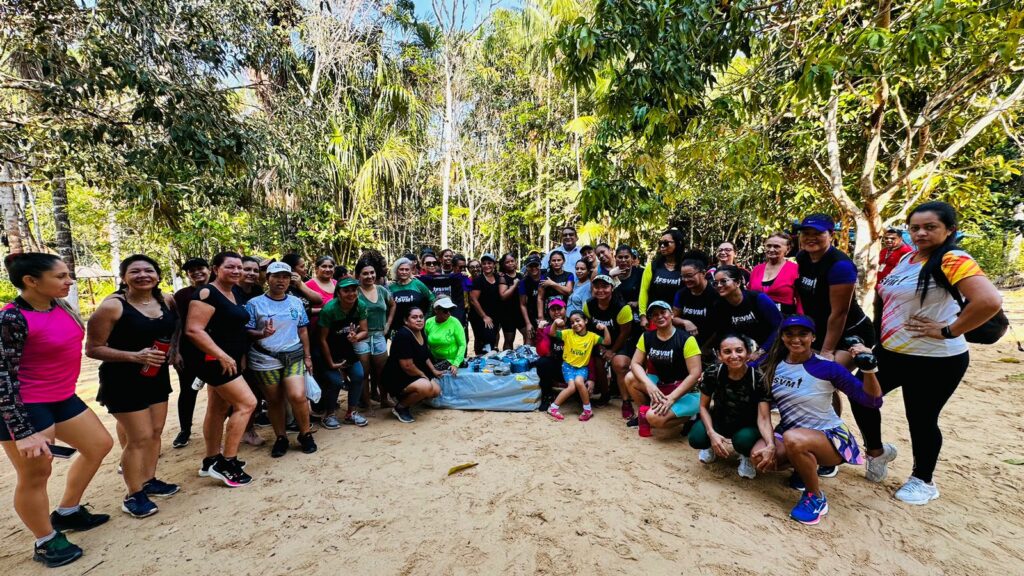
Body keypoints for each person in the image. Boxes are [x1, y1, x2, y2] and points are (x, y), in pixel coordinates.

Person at [850, 201, 1002, 505]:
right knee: (860, 395)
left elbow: (989, 301)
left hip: (936, 359)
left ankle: (923, 480)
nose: (921, 233)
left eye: (930, 227)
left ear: (949, 230)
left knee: (920, 418)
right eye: (915, 227)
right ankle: (878, 452)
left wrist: (948, 330)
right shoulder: (909, 260)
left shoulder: (953, 258)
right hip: (892, 353)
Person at [0, 253, 114, 567]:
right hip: (26, 404)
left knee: (98, 445)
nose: (69, 281)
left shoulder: (59, 304)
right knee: (35, 475)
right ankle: (45, 541)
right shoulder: (11, 317)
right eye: (61, 276)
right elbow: (2, 376)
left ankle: (67, 512)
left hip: (62, 396)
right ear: (31, 281)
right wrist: (22, 432)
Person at [748, 315, 882, 525]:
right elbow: (749, 382)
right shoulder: (773, 366)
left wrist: (869, 369)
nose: (796, 339)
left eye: (803, 334)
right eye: (789, 334)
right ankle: (804, 469)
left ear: (813, 337)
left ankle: (815, 497)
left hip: (830, 436)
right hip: (790, 432)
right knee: (759, 458)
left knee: (794, 438)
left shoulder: (827, 367)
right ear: (782, 337)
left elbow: (872, 402)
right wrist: (771, 446)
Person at [86, 255, 179, 518]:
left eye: (149, 270)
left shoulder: (166, 300)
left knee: (156, 431)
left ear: (158, 276)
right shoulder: (112, 306)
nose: (143, 275)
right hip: (121, 380)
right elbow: (92, 349)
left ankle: (149, 480)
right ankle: (133, 493)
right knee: (138, 438)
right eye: (134, 271)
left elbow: (175, 328)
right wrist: (133, 356)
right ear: (124, 277)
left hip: (155, 375)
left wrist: (174, 350)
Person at [186, 251, 257, 488]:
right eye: (230, 267)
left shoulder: (234, 291)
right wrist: (222, 355)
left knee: (217, 409)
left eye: (240, 267)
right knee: (247, 404)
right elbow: (194, 330)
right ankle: (228, 463)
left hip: (230, 359)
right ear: (216, 268)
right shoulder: (207, 293)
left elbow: (235, 327)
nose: (237, 271)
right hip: (215, 361)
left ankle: (211, 459)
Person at [245, 262, 318, 457]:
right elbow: (247, 330)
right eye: (276, 276)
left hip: (293, 355)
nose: (281, 280)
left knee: (297, 396)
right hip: (264, 358)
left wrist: (308, 356)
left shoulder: (296, 302)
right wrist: (261, 332)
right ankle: (281, 437)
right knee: (274, 400)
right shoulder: (255, 304)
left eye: (285, 276)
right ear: (267, 278)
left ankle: (305, 434)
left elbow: (303, 329)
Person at [688, 335, 771, 479]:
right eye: (727, 352)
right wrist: (711, 433)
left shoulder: (757, 378)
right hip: (720, 419)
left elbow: (764, 417)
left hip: (747, 425)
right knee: (697, 437)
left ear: (748, 353)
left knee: (743, 441)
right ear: (720, 355)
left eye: (739, 350)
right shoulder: (714, 372)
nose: (734, 356)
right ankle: (710, 446)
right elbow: (703, 406)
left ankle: (745, 456)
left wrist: (771, 444)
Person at [795, 214, 874, 364]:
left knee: (826, 377)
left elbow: (839, 313)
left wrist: (827, 350)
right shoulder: (802, 257)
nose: (811, 238)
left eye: (818, 233)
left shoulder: (840, 266)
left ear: (831, 234)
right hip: (820, 330)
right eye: (806, 233)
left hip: (851, 331)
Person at [624, 301, 703, 436]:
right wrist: (648, 385)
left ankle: (692, 416)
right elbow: (635, 363)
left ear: (671, 314)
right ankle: (648, 411)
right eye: (654, 315)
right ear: (651, 319)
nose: (659, 317)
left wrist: (671, 398)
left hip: (686, 391)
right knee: (630, 377)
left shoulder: (686, 339)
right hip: (661, 385)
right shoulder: (647, 336)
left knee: (654, 419)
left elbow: (695, 374)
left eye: (663, 312)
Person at [317, 277, 370, 429]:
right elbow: (322, 340)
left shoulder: (360, 306)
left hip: (346, 347)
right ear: (338, 293)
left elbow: (365, 331)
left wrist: (355, 337)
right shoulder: (329, 309)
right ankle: (329, 414)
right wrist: (330, 363)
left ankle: (351, 412)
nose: (351, 293)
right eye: (346, 290)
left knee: (359, 375)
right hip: (328, 348)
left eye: (353, 290)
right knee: (335, 381)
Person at [171, 257, 210, 449]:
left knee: (222, 391)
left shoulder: (220, 290)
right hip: (189, 351)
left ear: (209, 269)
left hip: (216, 350)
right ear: (187, 274)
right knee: (188, 391)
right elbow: (177, 324)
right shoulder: (181, 295)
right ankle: (185, 430)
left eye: (200, 268)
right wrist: (175, 350)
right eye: (191, 270)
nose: (197, 272)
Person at [545, 310, 611, 422]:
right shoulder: (568, 333)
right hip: (568, 366)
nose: (575, 324)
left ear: (585, 321)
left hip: (582, 368)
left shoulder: (592, 336)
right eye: (572, 322)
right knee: (571, 387)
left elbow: (607, 342)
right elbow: (552, 333)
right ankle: (553, 408)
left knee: (579, 383)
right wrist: (555, 323)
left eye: (578, 320)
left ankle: (587, 410)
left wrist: (605, 328)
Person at [582, 275, 635, 413]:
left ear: (612, 288)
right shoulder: (588, 305)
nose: (600, 290)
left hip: (621, 342)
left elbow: (625, 333)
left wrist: (612, 351)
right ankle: (605, 394)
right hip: (600, 341)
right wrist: (600, 346)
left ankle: (626, 401)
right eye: (597, 287)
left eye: (605, 286)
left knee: (620, 364)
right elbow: (589, 328)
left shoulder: (622, 307)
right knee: (596, 359)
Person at [383, 307, 443, 424]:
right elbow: (407, 366)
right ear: (406, 321)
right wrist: (423, 375)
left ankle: (409, 398)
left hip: (411, 373)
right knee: (426, 387)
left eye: (421, 317)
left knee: (435, 391)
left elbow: (425, 356)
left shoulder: (420, 332)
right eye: (414, 317)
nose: (419, 320)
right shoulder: (403, 335)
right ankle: (400, 407)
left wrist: (433, 370)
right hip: (397, 377)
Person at [706, 265, 783, 357]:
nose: (719, 285)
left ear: (738, 282)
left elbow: (779, 327)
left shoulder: (758, 299)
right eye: (715, 283)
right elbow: (724, 333)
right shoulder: (719, 305)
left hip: (772, 347)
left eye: (723, 281)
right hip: (744, 350)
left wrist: (761, 351)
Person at [354, 258, 394, 410]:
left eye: (372, 273)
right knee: (364, 372)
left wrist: (388, 324)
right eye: (365, 273)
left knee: (382, 370)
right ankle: (367, 403)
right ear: (358, 275)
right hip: (361, 336)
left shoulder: (382, 290)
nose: (369, 276)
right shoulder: (355, 291)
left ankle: (384, 399)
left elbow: (392, 305)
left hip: (379, 335)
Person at [638, 229, 686, 328]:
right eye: (660, 243)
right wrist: (642, 316)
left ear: (678, 243)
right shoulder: (653, 266)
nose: (662, 246)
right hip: (656, 318)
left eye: (666, 243)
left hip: (677, 319)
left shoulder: (685, 266)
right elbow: (644, 291)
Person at [672, 255, 719, 348]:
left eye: (689, 276)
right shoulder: (681, 294)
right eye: (683, 276)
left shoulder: (715, 294)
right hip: (686, 343)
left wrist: (706, 348)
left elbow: (721, 326)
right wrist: (685, 322)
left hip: (711, 345)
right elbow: (673, 317)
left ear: (703, 273)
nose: (685, 280)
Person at [749, 233, 801, 314]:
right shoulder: (756, 269)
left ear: (788, 249)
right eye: (768, 246)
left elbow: (800, 300)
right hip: (757, 320)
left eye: (776, 246)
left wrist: (800, 321)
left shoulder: (795, 269)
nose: (771, 249)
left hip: (783, 320)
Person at [534, 299, 567, 410]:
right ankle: (547, 395)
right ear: (549, 312)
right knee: (542, 362)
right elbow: (542, 351)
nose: (556, 312)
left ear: (565, 309)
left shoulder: (574, 325)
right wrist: (540, 331)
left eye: (559, 309)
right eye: (553, 310)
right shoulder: (547, 328)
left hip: (573, 366)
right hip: (557, 366)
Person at [388, 257, 435, 336]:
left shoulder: (417, 284)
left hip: (417, 329)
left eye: (407, 269)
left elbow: (432, 299)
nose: (404, 272)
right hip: (398, 330)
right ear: (396, 271)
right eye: (401, 269)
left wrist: (426, 318)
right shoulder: (391, 287)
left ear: (411, 271)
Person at [419, 253, 467, 326]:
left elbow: (470, 287)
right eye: (428, 263)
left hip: (451, 317)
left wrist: (464, 276)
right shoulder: (418, 281)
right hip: (430, 318)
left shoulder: (454, 278)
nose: (432, 265)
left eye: (435, 263)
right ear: (422, 265)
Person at [469, 254, 504, 354]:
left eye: (489, 263)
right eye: (484, 264)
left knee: (493, 339)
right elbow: (473, 300)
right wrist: (484, 316)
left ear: (494, 264)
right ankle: (480, 362)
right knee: (483, 340)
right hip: (480, 315)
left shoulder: (498, 278)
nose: (487, 266)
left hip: (494, 314)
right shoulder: (478, 280)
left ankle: (490, 360)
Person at [425, 298, 465, 372]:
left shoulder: (455, 322)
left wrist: (456, 363)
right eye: (445, 311)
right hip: (435, 358)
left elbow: (462, 344)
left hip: (452, 359)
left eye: (451, 310)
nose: (449, 313)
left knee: (431, 371)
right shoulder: (429, 322)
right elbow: (425, 344)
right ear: (436, 310)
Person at [496, 254, 526, 349]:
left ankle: (527, 356)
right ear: (504, 264)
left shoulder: (521, 275)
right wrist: (514, 285)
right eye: (507, 262)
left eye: (512, 261)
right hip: (507, 314)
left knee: (528, 335)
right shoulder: (503, 278)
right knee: (509, 340)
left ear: (516, 262)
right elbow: (503, 296)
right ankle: (507, 360)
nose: (510, 264)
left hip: (520, 312)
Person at [537, 250, 575, 317]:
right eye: (554, 260)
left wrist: (552, 284)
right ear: (550, 262)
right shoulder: (544, 276)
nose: (556, 262)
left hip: (565, 312)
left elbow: (568, 291)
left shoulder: (569, 275)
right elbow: (540, 297)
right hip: (549, 312)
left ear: (563, 261)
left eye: (559, 260)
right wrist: (540, 316)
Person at [519, 255, 544, 342]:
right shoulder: (524, 282)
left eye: (536, 265)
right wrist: (528, 323)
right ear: (526, 267)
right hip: (531, 315)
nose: (533, 268)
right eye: (530, 266)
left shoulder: (546, 278)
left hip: (547, 314)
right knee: (529, 342)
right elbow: (522, 304)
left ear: (540, 265)